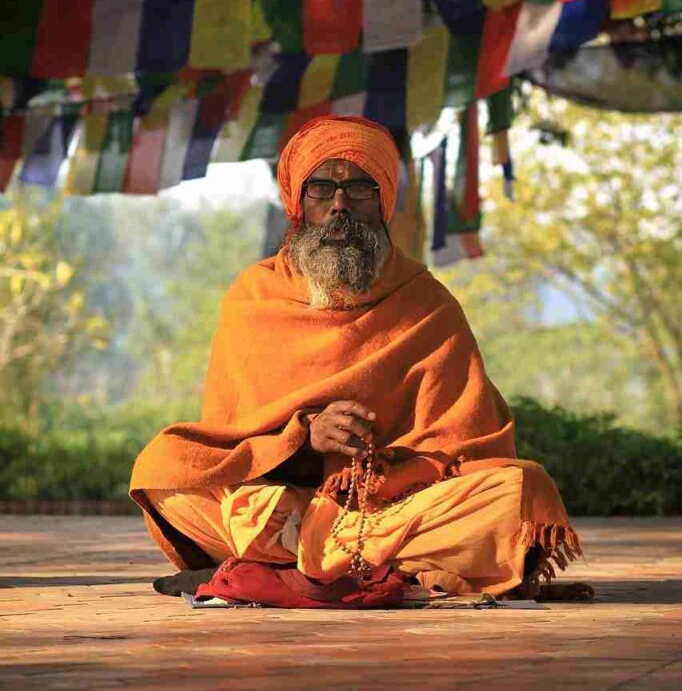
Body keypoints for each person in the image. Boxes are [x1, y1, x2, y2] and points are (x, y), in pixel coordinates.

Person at [130, 114, 590, 604]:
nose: (339, 207)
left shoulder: (425, 302)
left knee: (516, 492)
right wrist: (306, 441)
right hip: (285, 502)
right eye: (321, 189)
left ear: (384, 201)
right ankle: (362, 566)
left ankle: (285, 566)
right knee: (167, 468)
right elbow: (233, 445)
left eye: (360, 190)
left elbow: (467, 447)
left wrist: (379, 466)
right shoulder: (254, 297)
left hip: (391, 505)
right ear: (297, 202)